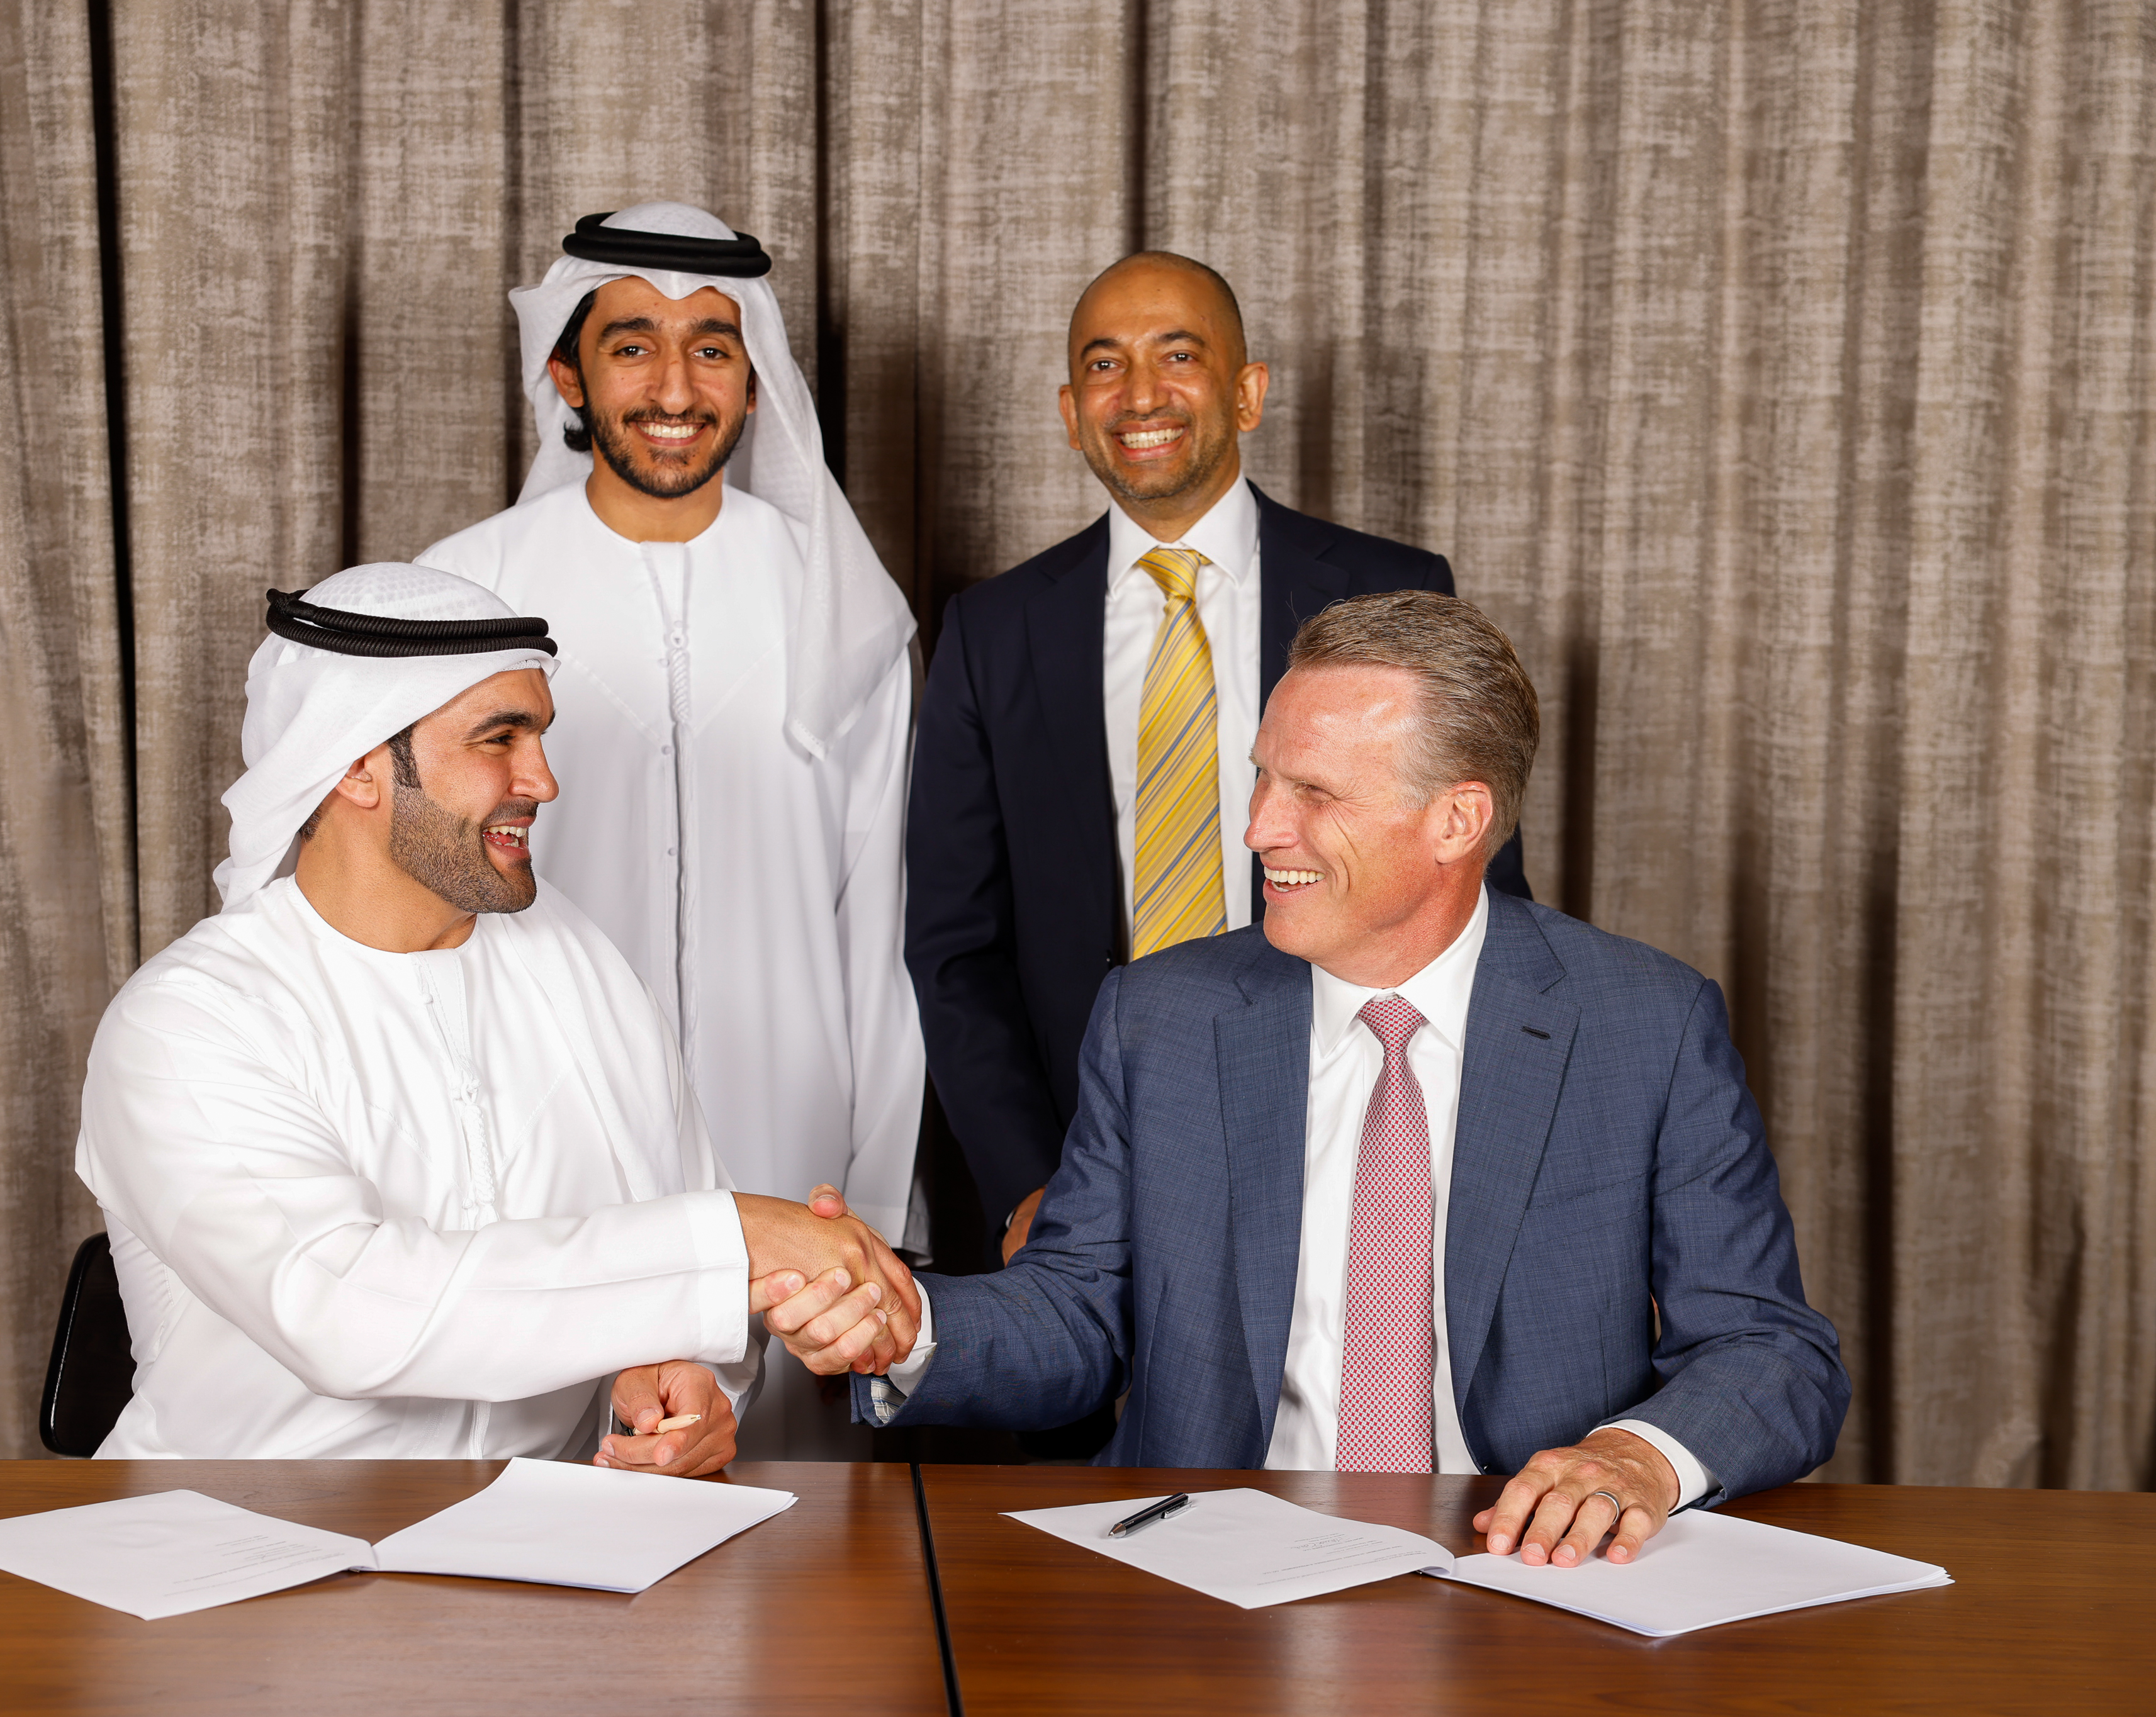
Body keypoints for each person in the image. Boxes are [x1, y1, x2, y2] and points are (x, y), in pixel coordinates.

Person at [789, 591, 1847, 1568]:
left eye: (1313, 792)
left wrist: (1636, 1458)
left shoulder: (1643, 1024)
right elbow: (1077, 1313)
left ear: (1456, 820)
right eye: (1261, 774)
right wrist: (912, 1324)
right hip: (1203, 1571)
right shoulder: (1160, 1016)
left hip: (1518, 1574)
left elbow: (1769, 1347)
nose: (1256, 827)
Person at [74, 564, 916, 1466]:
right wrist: (735, 1239)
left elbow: (664, 1274)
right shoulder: (189, 1022)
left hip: (546, 1559)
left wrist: (673, 1384)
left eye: (539, 737)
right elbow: (348, 1311)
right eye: (498, 739)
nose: (543, 780)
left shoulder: (577, 959)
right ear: (355, 764)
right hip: (238, 1558)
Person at [909, 252, 1532, 1265]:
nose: (1141, 394)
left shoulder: (1389, 588)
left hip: (1357, 1117)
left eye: (1178, 355)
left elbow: (1471, 889)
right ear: (1071, 411)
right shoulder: (992, 630)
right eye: (1104, 366)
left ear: (1247, 392)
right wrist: (1028, 1180)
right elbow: (953, 946)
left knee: (1357, 1407)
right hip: (1086, 1153)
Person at [412, 203, 923, 1253]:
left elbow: (878, 931)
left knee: (774, 1415)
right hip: (528, 1140)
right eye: (632, 346)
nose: (675, 390)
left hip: (792, 1145)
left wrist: (874, 1214)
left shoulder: (838, 600)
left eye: (711, 348)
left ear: (753, 377)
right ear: (568, 374)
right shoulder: (463, 592)